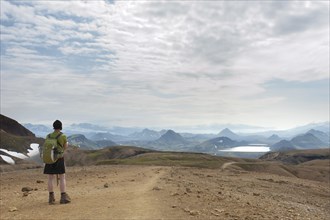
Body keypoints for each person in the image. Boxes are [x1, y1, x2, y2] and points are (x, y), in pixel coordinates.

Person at [43, 120, 71, 205]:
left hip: (50, 159)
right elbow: (65, 147)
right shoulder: (63, 136)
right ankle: (63, 197)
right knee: (62, 177)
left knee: (50, 178)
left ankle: (51, 198)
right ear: (61, 127)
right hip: (59, 158)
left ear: (53, 126)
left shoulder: (48, 136)